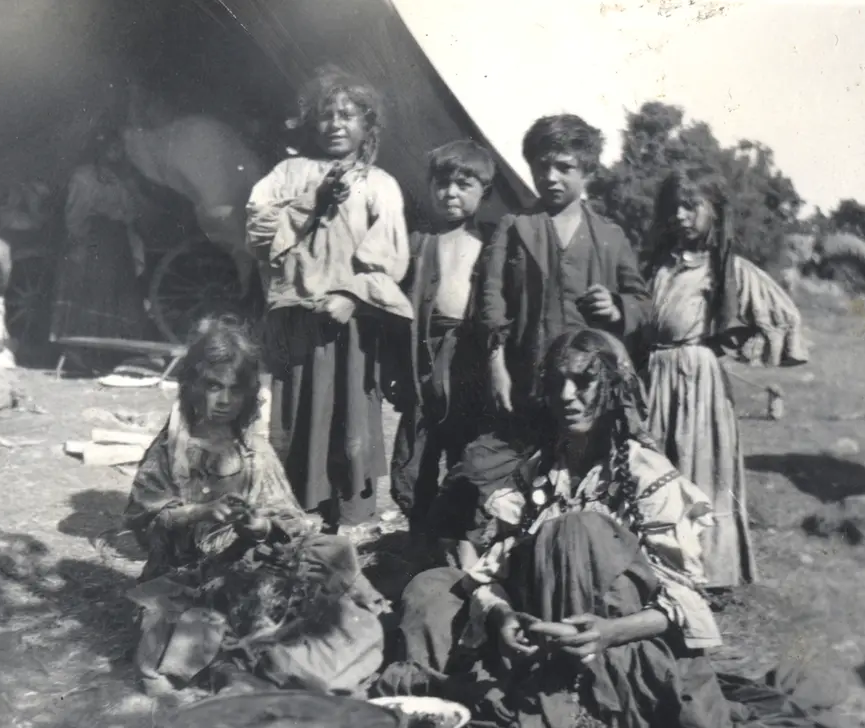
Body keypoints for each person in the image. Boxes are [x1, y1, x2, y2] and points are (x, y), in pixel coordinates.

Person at [376, 329, 863, 728]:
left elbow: (684, 604)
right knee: (433, 587)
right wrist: (503, 618)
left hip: (618, 646)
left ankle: (568, 704)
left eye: (583, 382)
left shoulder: (646, 475)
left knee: (575, 530)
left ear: (612, 391)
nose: (567, 396)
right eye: (556, 384)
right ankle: (456, 697)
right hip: (539, 630)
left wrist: (608, 632)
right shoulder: (536, 472)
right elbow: (496, 573)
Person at [123, 316, 391, 698]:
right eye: (214, 386)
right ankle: (260, 662)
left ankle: (312, 660)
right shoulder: (171, 451)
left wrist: (260, 527)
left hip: (250, 562)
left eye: (235, 390)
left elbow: (289, 520)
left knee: (325, 572)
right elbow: (142, 517)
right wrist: (197, 512)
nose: (224, 400)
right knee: (213, 620)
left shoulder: (254, 452)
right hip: (190, 572)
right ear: (192, 384)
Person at [245, 66, 411, 534]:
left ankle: (354, 516)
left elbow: (390, 255)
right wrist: (311, 201)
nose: (336, 123)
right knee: (298, 411)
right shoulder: (287, 174)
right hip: (298, 318)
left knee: (352, 414)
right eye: (325, 114)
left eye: (348, 114)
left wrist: (353, 298)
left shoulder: (380, 184)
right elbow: (259, 235)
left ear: (368, 125)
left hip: (351, 321)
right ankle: (300, 510)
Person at [642, 169, 807, 589]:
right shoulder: (659, 265)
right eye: (674, 207)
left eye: (691, 206)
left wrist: (739, 343)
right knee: (654, 467)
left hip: (698, 380)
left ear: (714, 212)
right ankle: (653, 567)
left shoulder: (727, 270)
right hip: (654, 375)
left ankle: (705, 572)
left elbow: (783, 314)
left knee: (698, 470)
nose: (681, 215)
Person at [475, 115, 650, 441]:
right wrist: (496, 369)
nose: (550, 177)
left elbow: (642, 302)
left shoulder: (610, 236)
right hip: (528, 380)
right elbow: (491, 303)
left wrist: (617, 307)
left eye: (564, 168)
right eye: (541, 166)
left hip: (589, 390)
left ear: (588, 172)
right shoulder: (514, 226)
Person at [388, 140, 497, 539]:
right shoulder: (419, 241)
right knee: (416, 450)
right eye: (442, 183)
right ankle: (419, 533)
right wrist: (397, 367)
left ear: (484, 190)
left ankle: (460, 537)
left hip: (468, 360)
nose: (450, 193)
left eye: (463, 184)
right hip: (424, 356)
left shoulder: (491, 242)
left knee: (465, 447)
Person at [122, 86, 267, 301]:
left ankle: (246, 281)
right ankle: (245, 280)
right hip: (229, 190)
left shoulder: (190, 133)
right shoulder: (192, 130)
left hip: (226, 194)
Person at [49, 129, 148, 343]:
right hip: (94, 241)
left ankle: (109, 349)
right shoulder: (83, 176)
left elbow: (130, 211)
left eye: (119, 148)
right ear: (99, 149)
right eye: (112, 148)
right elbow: (75, 214)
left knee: (113, 293)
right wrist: (79, 239)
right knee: (91, 293)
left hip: (116, 243)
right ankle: (82, 348)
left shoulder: (118, 179)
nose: (117, 152)